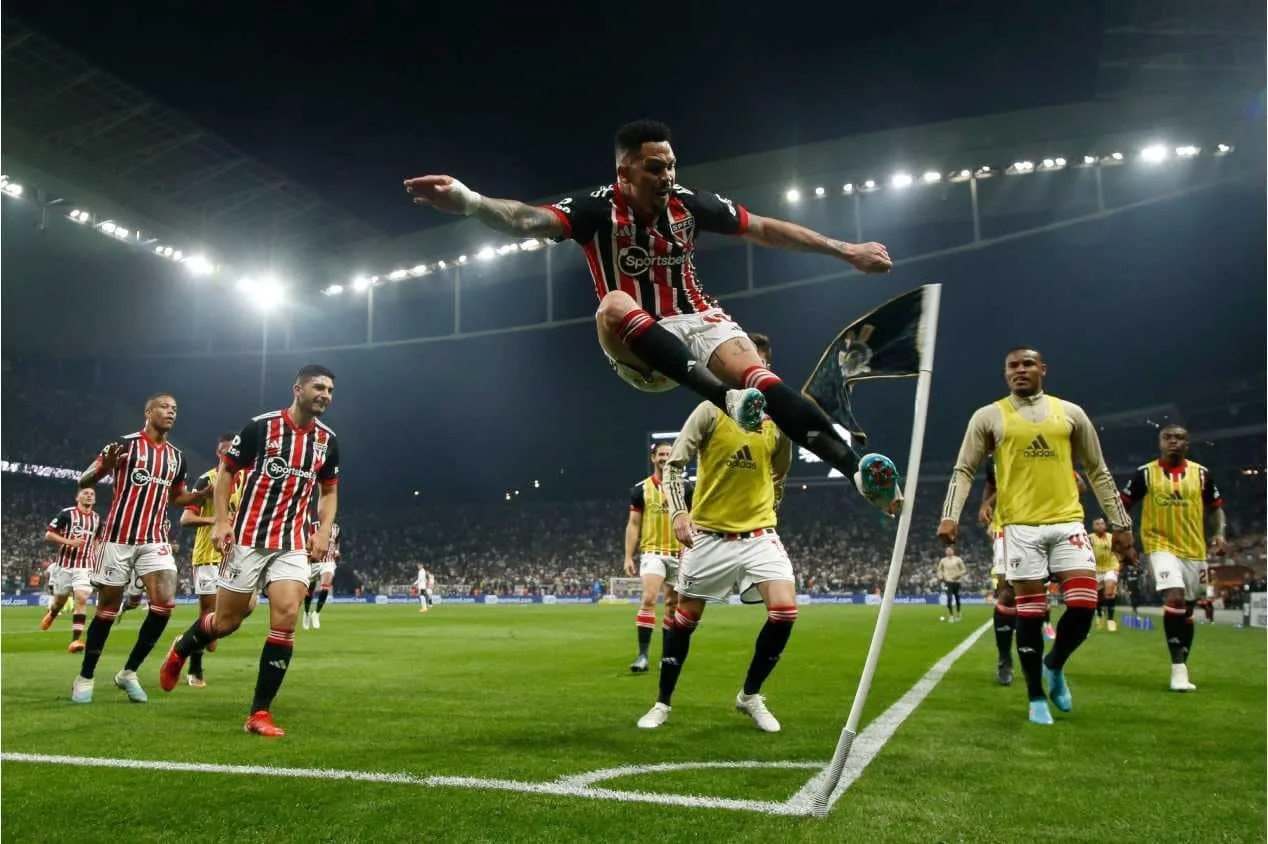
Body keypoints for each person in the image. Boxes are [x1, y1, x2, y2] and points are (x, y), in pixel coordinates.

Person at [404, 119, 900, 516]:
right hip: (639, 343)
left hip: (697, 316)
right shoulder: (596, 209)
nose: (667, 177)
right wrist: (469, 201)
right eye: (654, 168)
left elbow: (766, 228)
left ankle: (858, 471)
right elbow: (527, 218)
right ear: (625, 174)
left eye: (671, 166)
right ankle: (726, 398)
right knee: (614, 303)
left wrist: (846, 249)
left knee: (761, 376)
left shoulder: (689, 204)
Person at [938, 347, 1135, 725]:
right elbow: (964, 469)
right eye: (1013, 365)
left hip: (1067, 522)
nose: (1020, 370)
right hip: (1019, 527)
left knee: (1082, 606)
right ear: (1005, 373)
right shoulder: (988, 416)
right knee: (1029, 613)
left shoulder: (1071, 413)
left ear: (1042, 369)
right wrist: (950, 515)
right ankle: (1035, 697)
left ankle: (1054, 664)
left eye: (1028, 364)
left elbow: (1098, 470)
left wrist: (1121, 524)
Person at [159, 365, 340, 737]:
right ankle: (182, 647)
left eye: (330, 390)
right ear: (298, 388)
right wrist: (222, 521)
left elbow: (330, 490)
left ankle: (259, 713)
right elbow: (226, 473)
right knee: (226, 622)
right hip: (248, 540)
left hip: (291, 542)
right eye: (319, 387)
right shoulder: (261, 427)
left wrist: (322, 531)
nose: (325, 394)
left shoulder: (327, 440)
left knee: (287, 616)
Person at [636, 334, 795, 732]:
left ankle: (750, 696)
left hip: (759, 534)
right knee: (684, 619)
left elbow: (780, 473)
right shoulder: (710, 409)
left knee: (785, 611)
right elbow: (674, 464)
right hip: (708, 536)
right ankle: (662, 702)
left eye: (756, 362)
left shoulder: (778, 421)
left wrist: (770, 505)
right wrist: (678, 513)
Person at [70, 394, 208, 704]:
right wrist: (104, 464)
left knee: (164, 604)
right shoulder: (125, 445)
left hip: (154, 539)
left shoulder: (176, 456)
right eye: (164, 407)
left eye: (175, 408)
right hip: (118, 538)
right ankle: (86, 676)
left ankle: (129, 672)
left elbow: (178, 497)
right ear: (147, 411)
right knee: (106, 610)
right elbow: (84, 479)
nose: (170, 412)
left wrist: (203, 494)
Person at [1119, 425, 1226, 692]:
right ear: (1160, 443)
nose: (1173, 442)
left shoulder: (1201, 474)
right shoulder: (1145, 474)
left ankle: (1182, 667)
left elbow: (1215, 509)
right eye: (1168, 437)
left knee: (1188, 608)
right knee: (1174, 597)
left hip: (1194, 549)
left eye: (1179, 438)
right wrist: (1126, 541)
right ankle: (1177, 669)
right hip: (1159, 545)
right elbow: (1123, 505)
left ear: (1187, 444)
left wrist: (1219, 534)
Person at [179, 434, 244, 686]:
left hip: (235, 557)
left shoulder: (247, 482)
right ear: (219, 453)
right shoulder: (208, 479)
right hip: (208, 555)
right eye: (225, 451)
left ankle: (186, 641)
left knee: (231, 618)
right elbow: (185, 519)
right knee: (208, 612)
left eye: (234, 450)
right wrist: (217, 521)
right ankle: (195, 669)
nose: (230, 455)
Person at [624, 441, 692, 672]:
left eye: (668, 454)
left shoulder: (686, 488)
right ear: (653, 458)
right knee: (650, 598)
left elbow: (693, 520)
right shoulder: (640, 489)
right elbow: (633, 525)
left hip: (679, 553)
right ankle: (642, 656)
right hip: (652, 552)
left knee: (673, 605)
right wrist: (628, 556)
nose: (664, 457)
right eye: (661, 454)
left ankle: (666, 657)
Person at [41, 488, 101, 652]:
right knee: (60, 600)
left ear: (94, 500)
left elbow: (96, 541)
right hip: (64, 565)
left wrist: (99, 558)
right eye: (85, 493)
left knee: (81, 598)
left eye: (92, 494)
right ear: (77, 497)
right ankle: (53, 613)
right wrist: (69, 542)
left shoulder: (96, 518)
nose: (89, 495)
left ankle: (76, 641)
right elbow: (48, 535)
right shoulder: (66, 514)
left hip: (85, 565)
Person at [977, 460, 1016, 685]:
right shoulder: (993, 460)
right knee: (1007, 594)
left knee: (1034, 594)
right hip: (1006, 525)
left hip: (1041, 522)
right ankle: (1005, 659)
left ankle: (1048, 661)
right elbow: (992, 485)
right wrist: (987, 506)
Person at [303, 520, 340, 629]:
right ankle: (306, 613)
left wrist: (337, 551)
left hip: (328, 562)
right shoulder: (314, 526)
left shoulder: (336, 528)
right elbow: (308, 542)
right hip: (315, 562)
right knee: (310, 591)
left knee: (325, 588)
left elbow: (337, 542)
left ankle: (316, 613)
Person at [1089, 517, 1120, 632]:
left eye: (1102, 523)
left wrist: (1117, 566)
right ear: (1093, 526)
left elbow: (1118, 552)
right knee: (1097, 596)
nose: (1100, 526)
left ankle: (1111, 620)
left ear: (1105, 525)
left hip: (1110, 568)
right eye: (1097, 524)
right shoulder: (1090, 538)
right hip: (1095, 569)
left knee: (1110, 592)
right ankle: (1099, 614)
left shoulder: (1112, 537)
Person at [936, 545, 967, 622]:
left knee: (957, 598)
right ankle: (951, 615)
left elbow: (964, 569)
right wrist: (940, 576)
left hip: (957, 581)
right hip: (948, 581)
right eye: (947, 550)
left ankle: (958, 613)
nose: (949, 551)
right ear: (945, 552)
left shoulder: (958, 559)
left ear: (953, 551)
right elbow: (939, 570)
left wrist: (958, 575)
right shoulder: (943, 560)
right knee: (949, 598)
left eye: (950, 550)